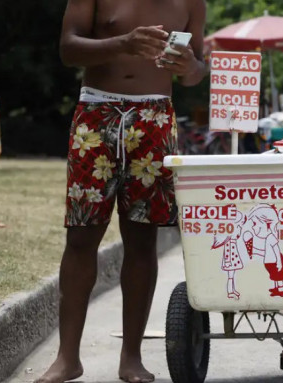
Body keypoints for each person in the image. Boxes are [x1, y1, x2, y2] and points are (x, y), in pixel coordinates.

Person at [37, 1, 207, 383]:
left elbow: (196, 69)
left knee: (142, 238)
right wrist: (123, 43)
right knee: (81, 235)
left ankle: (131, 358)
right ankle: (68, 358)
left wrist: (190, 68)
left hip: (155, 117)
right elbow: (68, 48)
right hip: (96, 112)